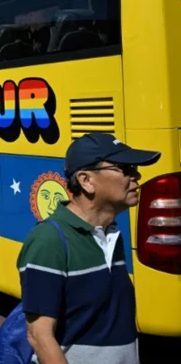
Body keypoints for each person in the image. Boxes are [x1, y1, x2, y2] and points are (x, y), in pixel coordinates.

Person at [18, 133, 161, 363]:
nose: (137, 176)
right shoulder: (49, 241)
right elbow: (39, 336)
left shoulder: (112, 234)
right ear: (86, 180)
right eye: (125, 168)